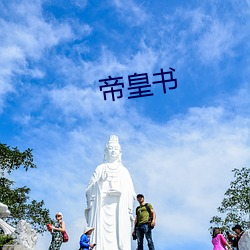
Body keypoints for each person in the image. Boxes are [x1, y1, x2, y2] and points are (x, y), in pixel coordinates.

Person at [85, 135, 136, 250]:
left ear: (120, 152)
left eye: (115, 149)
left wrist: (122, 192)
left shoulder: (124, 171)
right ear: (106, 151)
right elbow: (88, 190)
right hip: (101, 208)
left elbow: (131, 193)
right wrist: (100, 181)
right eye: (111, 148)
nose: (113, 151)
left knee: (119, 237)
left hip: (119, 209)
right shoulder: (100, 169)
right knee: (100, 237)